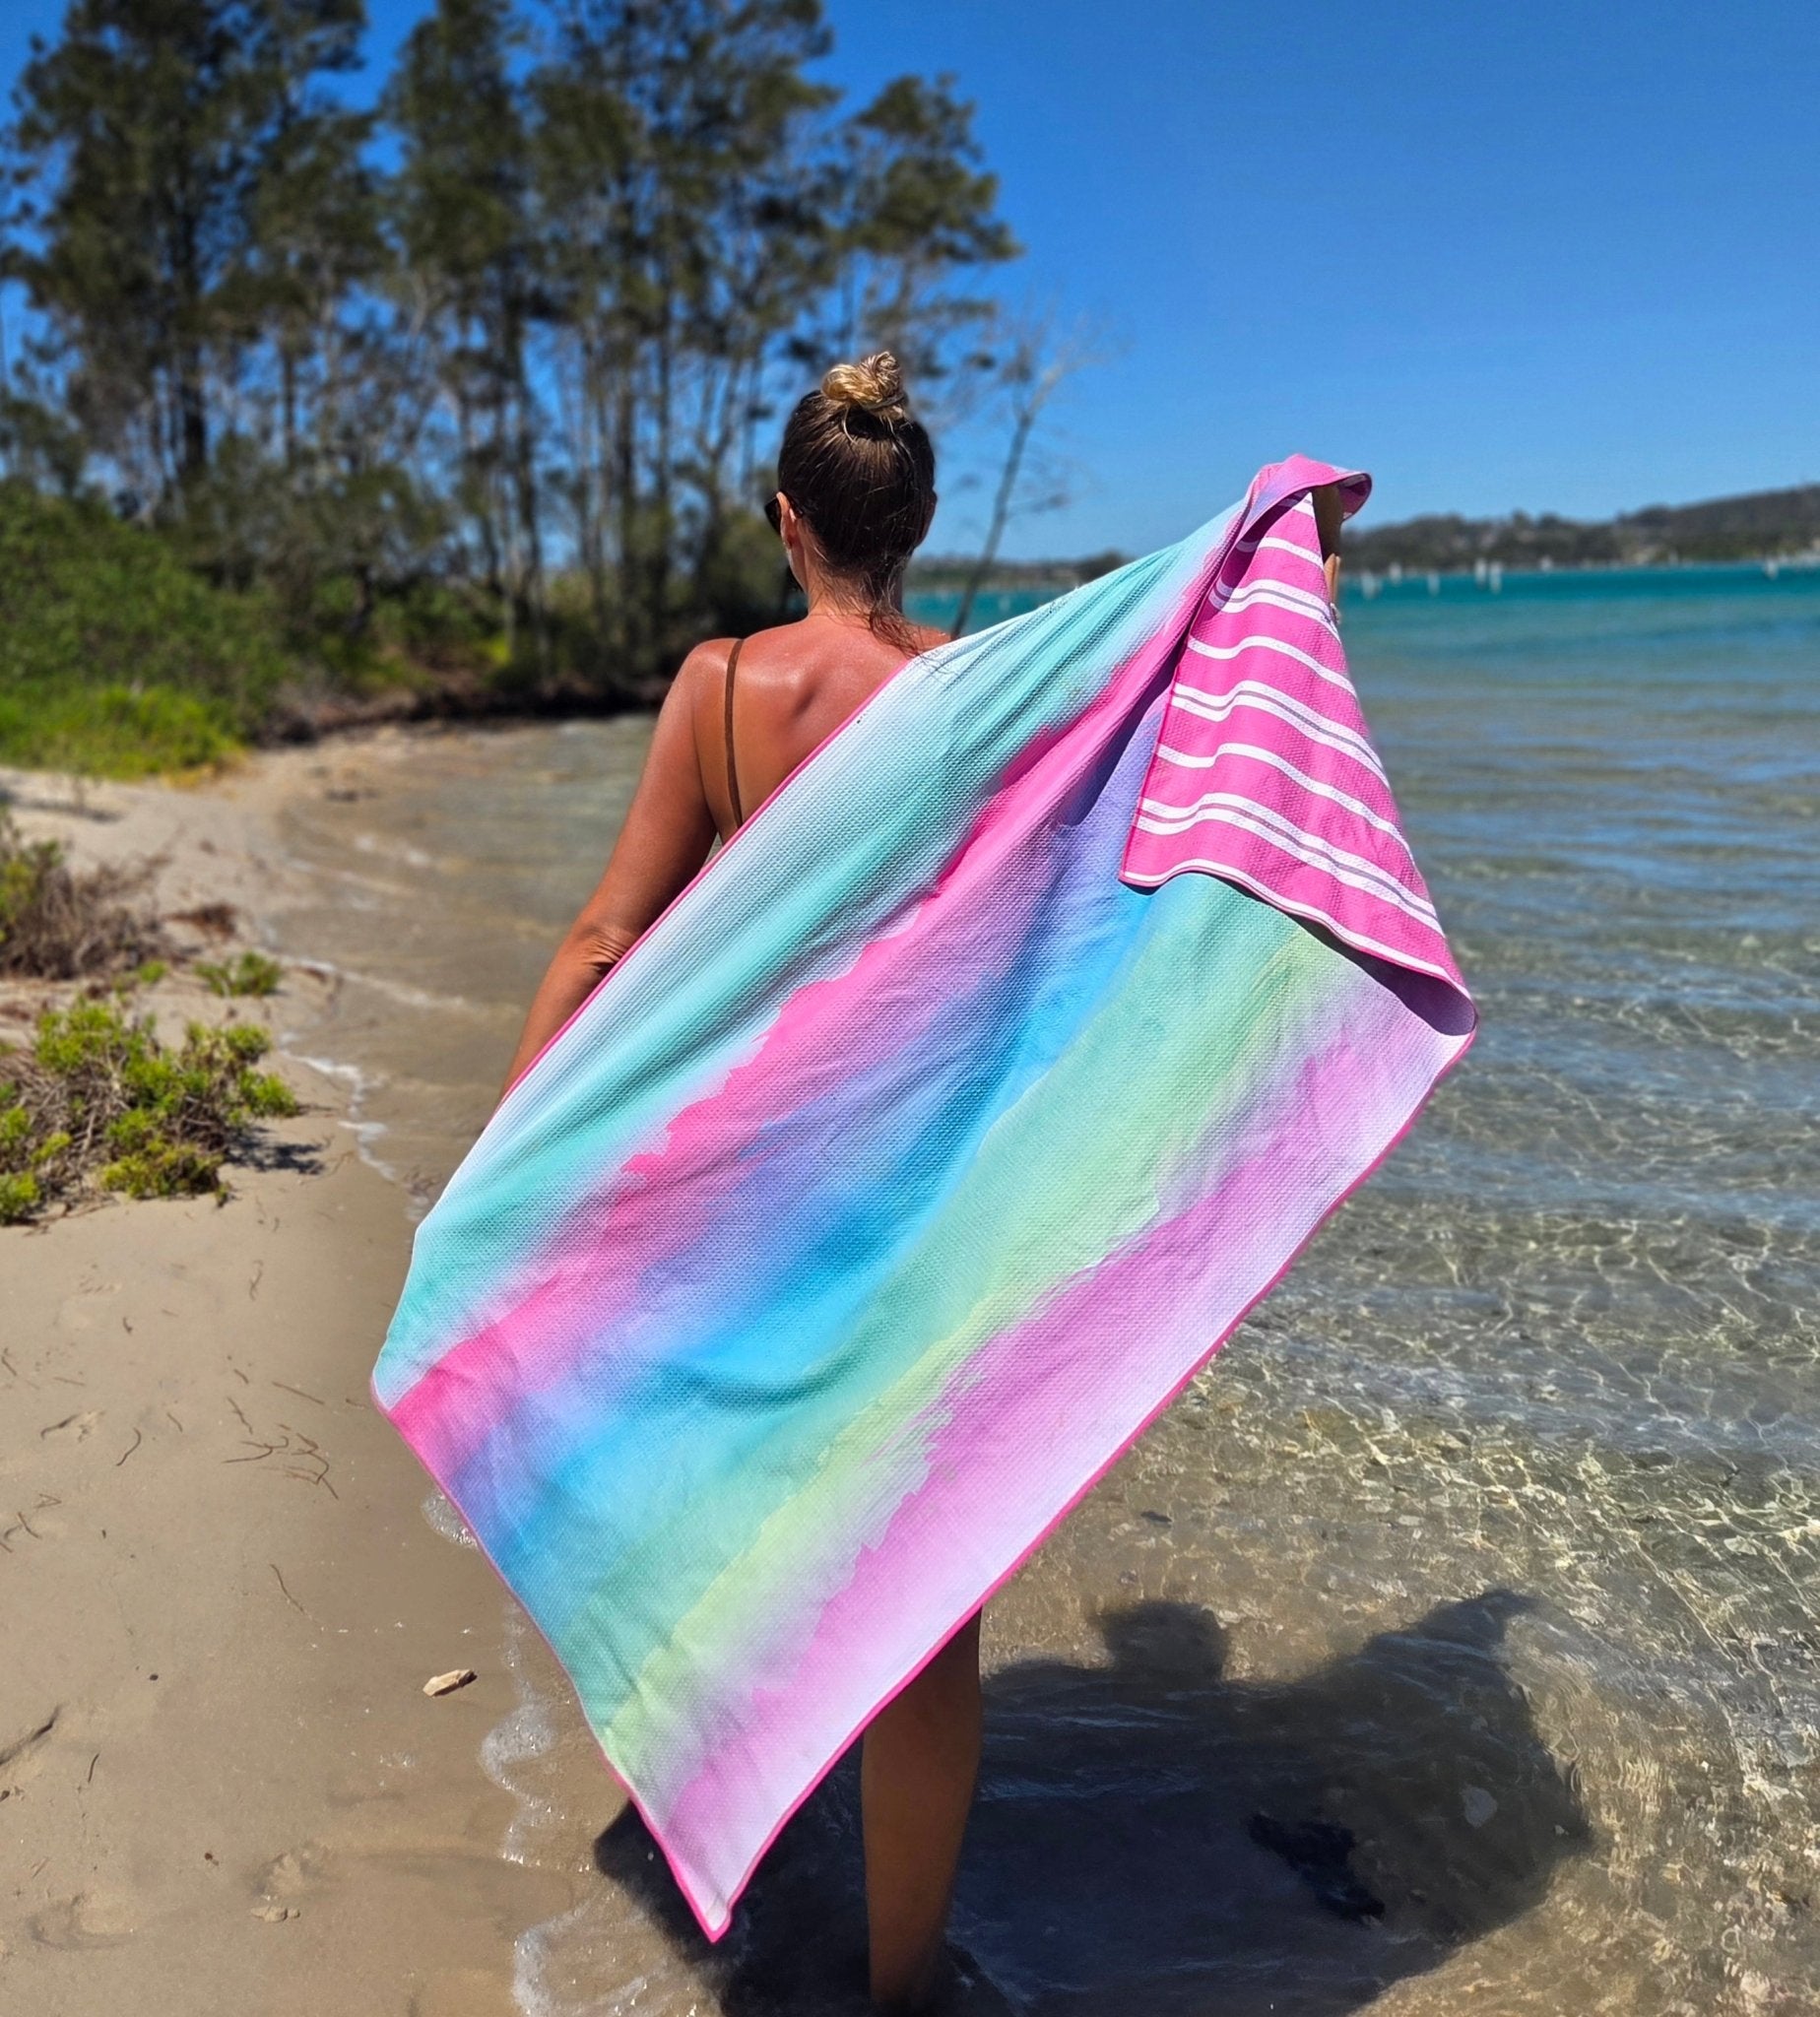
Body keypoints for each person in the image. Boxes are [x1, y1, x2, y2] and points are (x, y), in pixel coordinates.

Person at [498, 352, 978, 2015]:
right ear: (921, 521)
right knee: (925, 1602)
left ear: (787, 523)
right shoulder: (975, 690)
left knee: (720, 1514)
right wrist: (1274, 568)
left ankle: (728, 1828)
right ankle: (907, 1988)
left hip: (753, 1193)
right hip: (922, 1190)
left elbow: (604, 937)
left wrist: (508, 1157)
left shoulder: (718, 688)